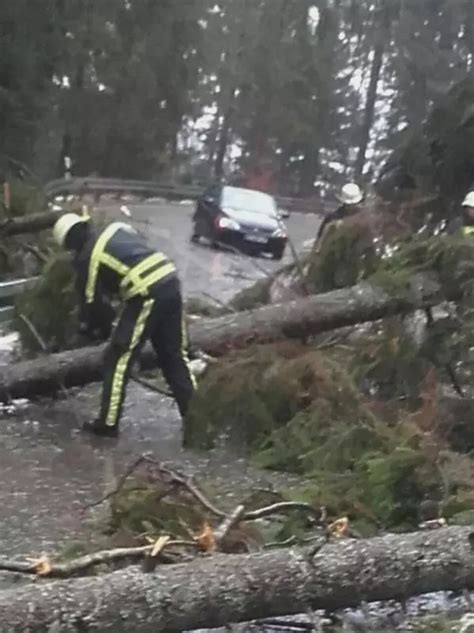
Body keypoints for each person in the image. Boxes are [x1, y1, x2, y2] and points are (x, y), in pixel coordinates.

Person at [53, 213, 196, 437]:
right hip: (169, 280)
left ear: (69, 242)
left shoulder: (88, 257)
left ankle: (107, 424)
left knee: (117, 359)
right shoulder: (116, 228)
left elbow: (92, 304)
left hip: (146, 292)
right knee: (174, 356)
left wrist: (95, 331)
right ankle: (198, 420)